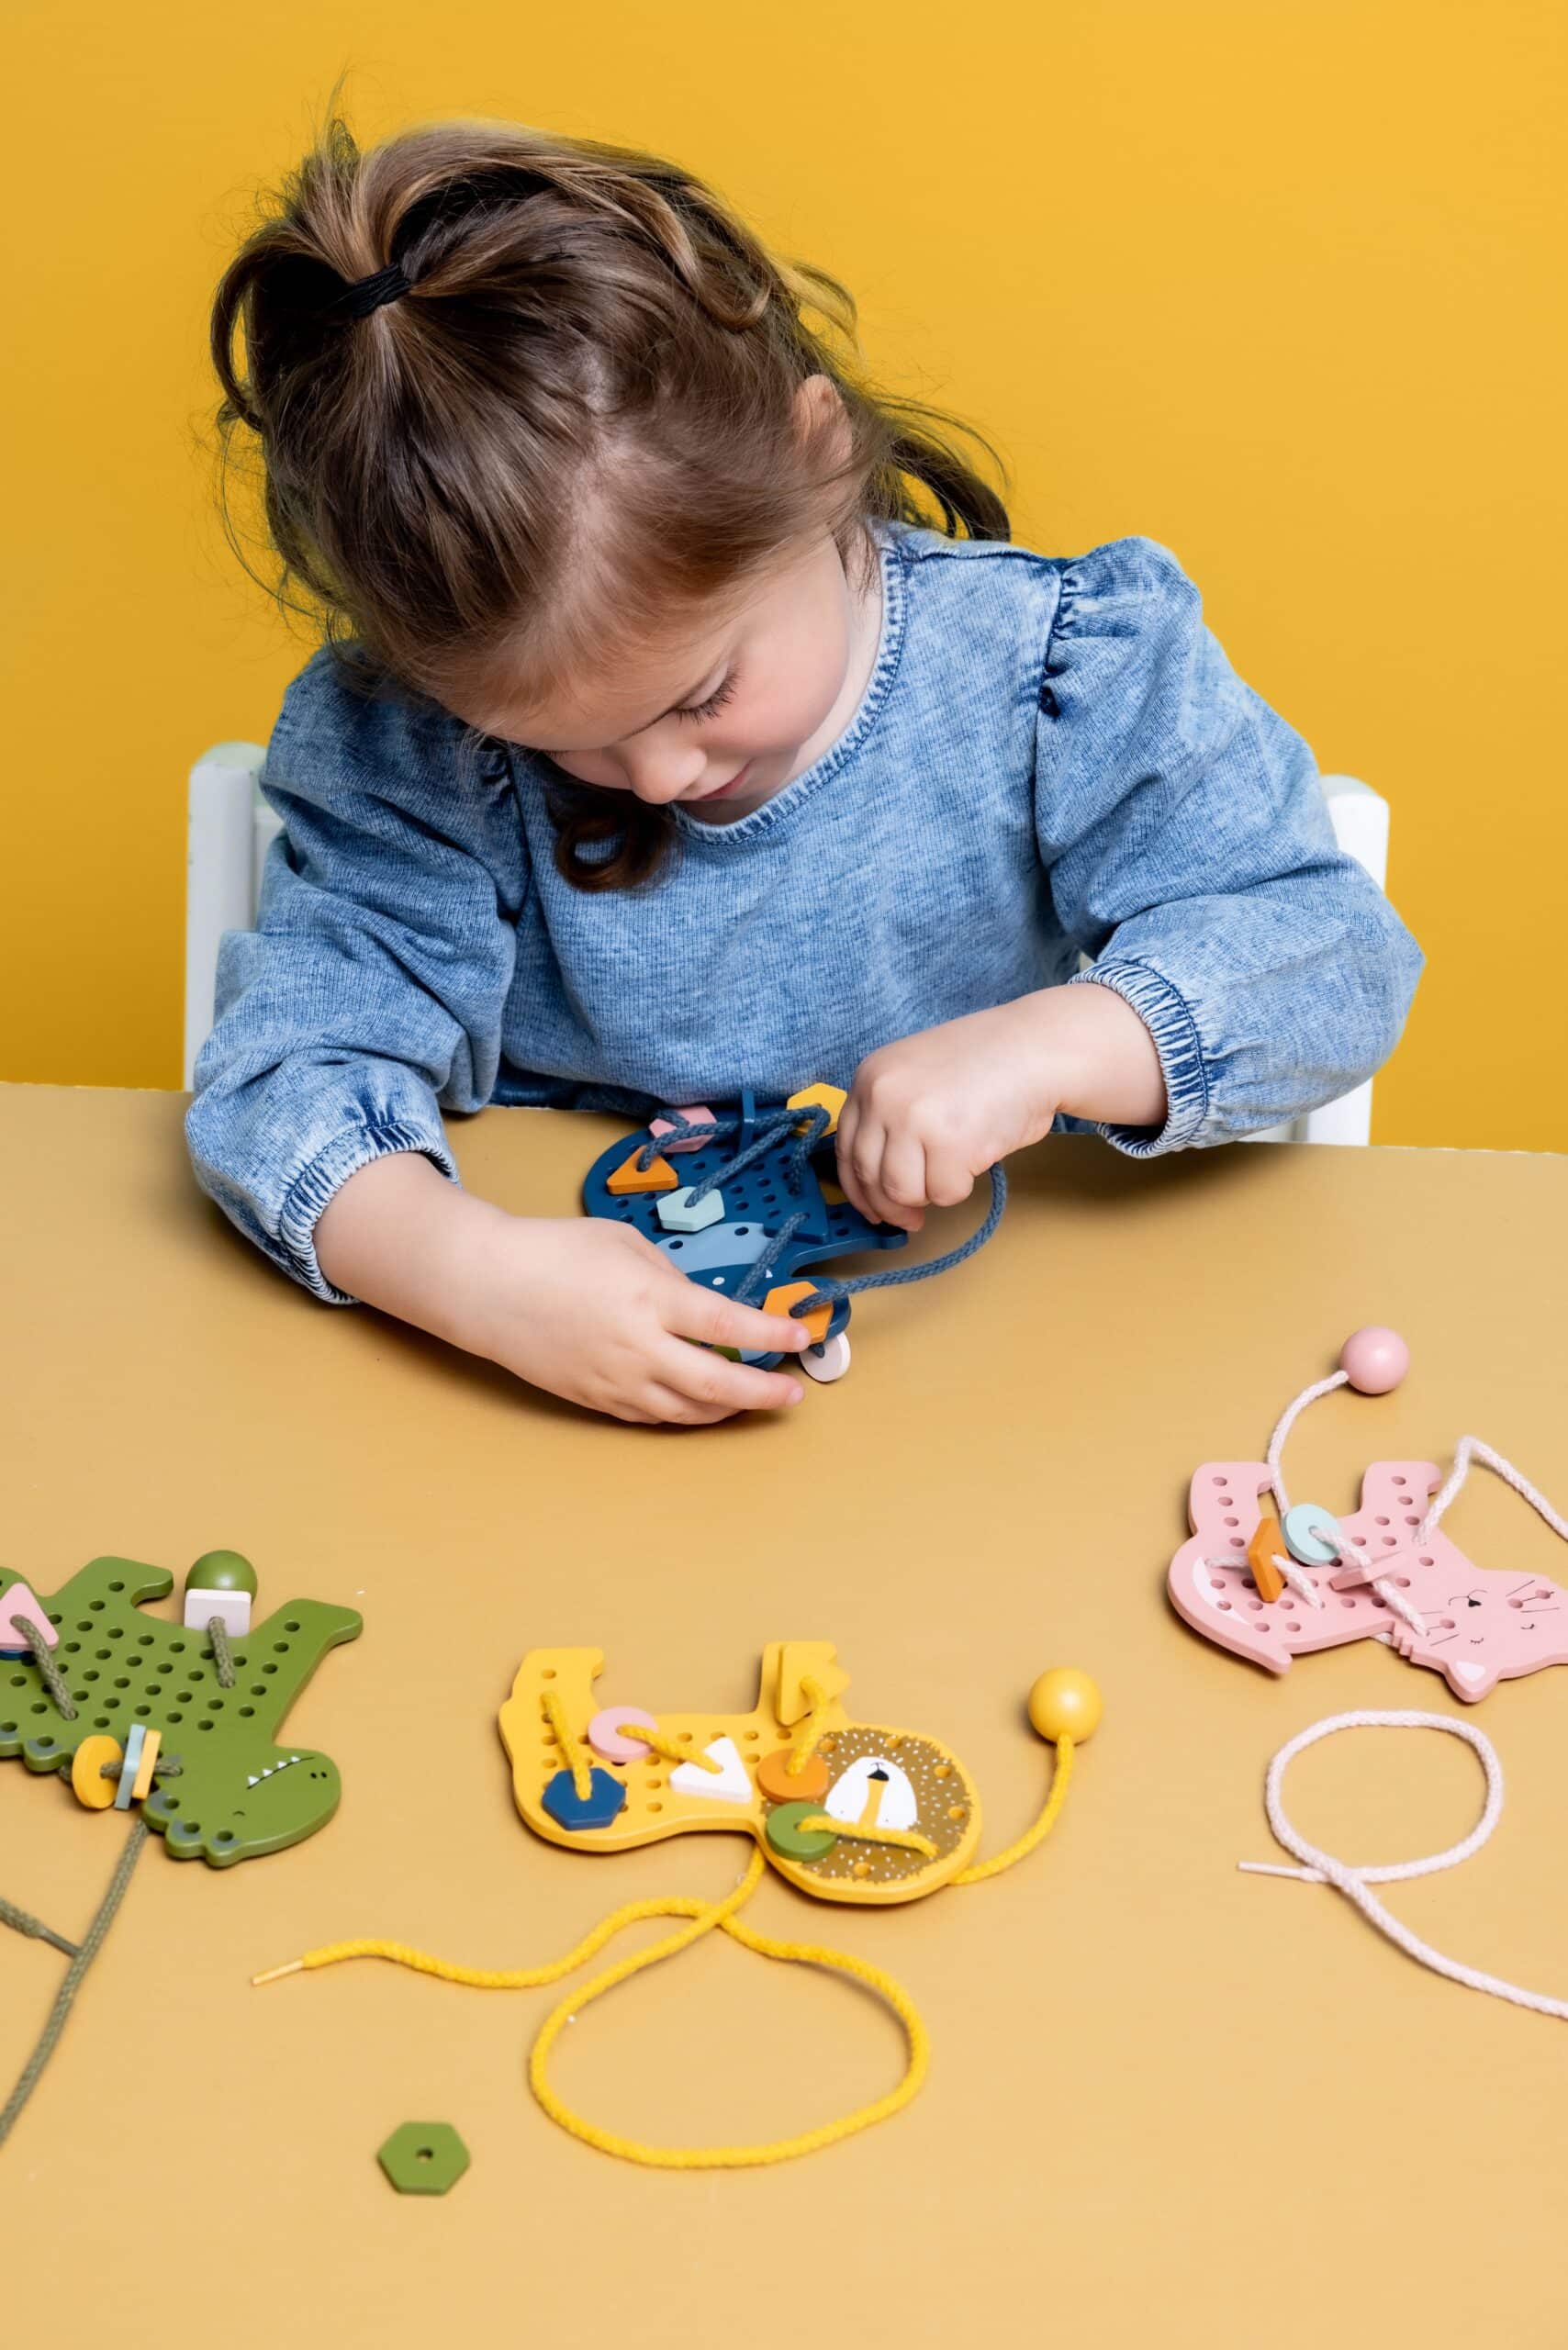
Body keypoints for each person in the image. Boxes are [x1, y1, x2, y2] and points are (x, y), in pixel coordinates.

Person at [187, 102, 1423, 1427]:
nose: (655, 776)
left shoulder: (1065, 672)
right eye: (559, 744)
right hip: (531, 1387)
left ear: (818, 452)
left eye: (704, 691)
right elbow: (285, 1075)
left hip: (1003, 1385)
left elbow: (1332, 957)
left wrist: (1066, 1040)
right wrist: (468, 1274)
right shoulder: (418, 749)